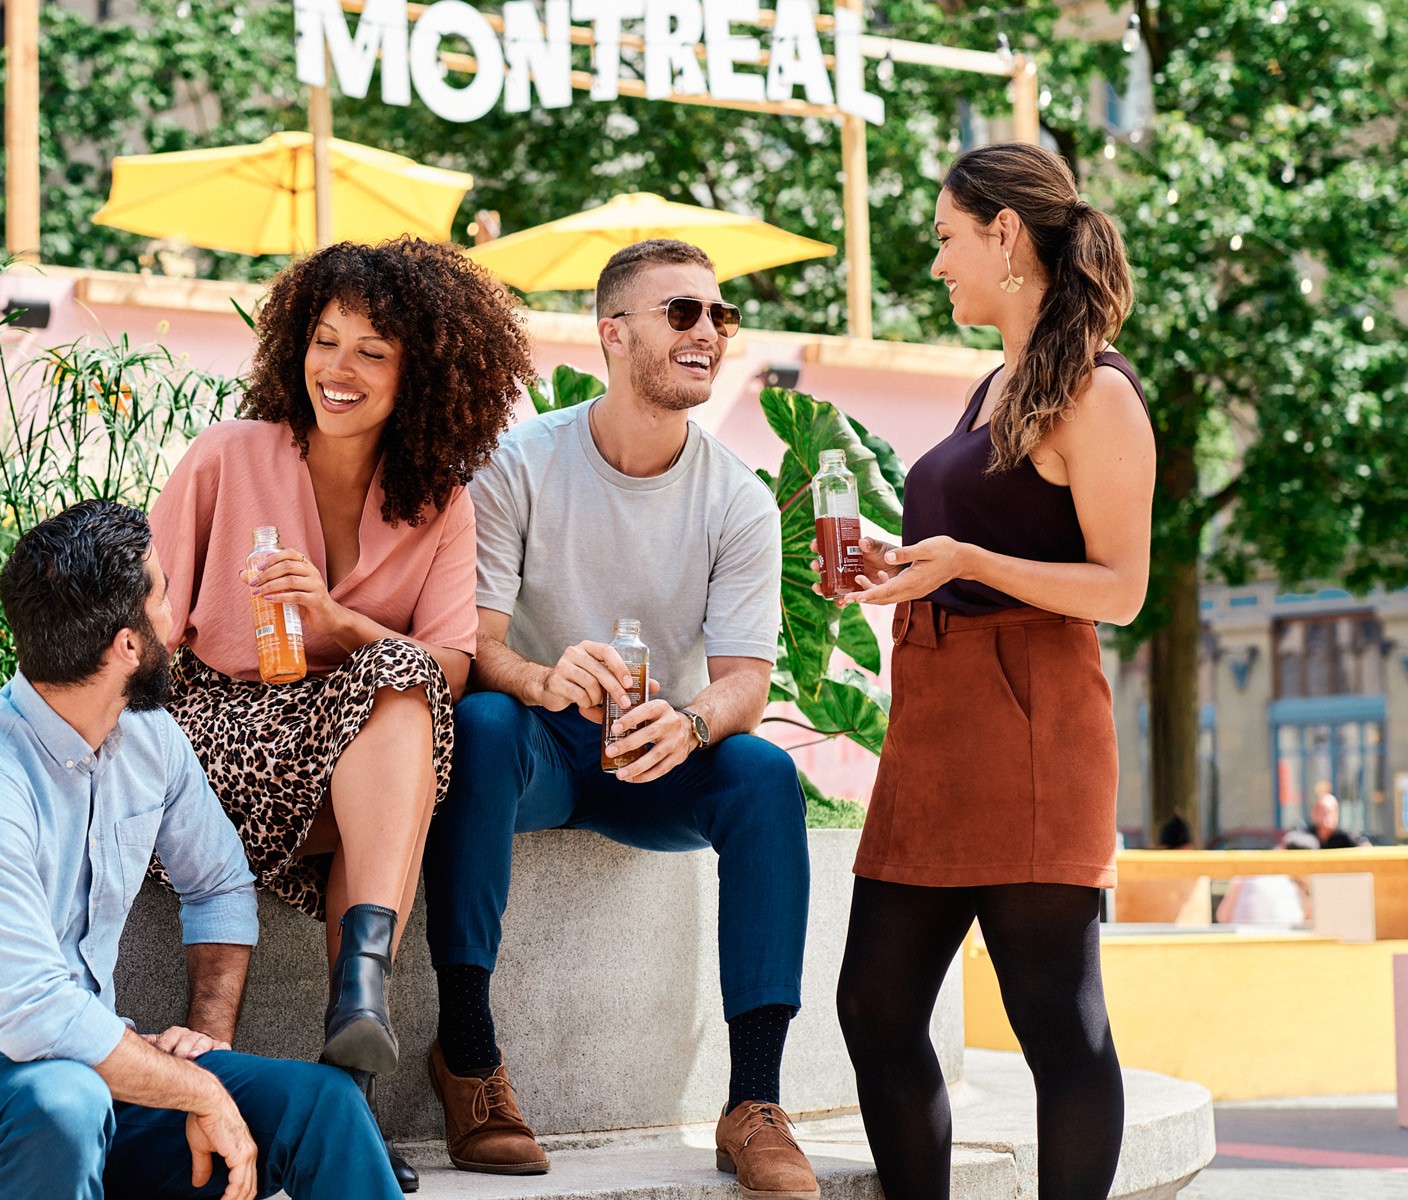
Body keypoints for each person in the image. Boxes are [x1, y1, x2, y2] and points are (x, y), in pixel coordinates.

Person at [419, 238, 817, 1196]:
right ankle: (468, 1058)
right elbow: (478, 648)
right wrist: (545, 677)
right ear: (613, 333)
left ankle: (753, 1102)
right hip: (545, 744)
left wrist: (689, 723)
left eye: (720, 317)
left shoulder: (739, 500)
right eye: (684, 312)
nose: (710, 333)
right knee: (477, 727)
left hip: (657, 755)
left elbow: (747, 685)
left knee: (764, 774)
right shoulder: (520, 464)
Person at [0, 501, 400, 1200]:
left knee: (324, 1104)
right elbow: (34, 1016)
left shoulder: (151, 740)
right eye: (165, 595)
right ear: (128, 646)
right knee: (62, 1104)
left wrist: (206, 1045)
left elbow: (218, 885)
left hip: (96, 1082)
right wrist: (197, 1095)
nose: (179, 616)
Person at [149, 238, 533, 1189]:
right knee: (394, 698)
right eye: (325, 342)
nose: (339, 369)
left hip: (349, 766)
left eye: (372, 350)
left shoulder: (439, 501)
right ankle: (350, 1075)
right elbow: (150, 623)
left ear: (424, 371)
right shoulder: (228, 455)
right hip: (216, 735)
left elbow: (448, 662)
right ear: (295, 347)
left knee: (403, 684)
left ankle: (356, 1017)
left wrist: (336, 622)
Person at [827, 142, 1155, 1200]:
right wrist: (910, 563)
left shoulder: (1097, 393)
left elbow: (1117, 588)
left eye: (944, 238)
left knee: (1057, 1020)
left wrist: (965, 563)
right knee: (874, 1010)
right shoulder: (999, 382)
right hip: (934, 720)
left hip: (1030, 720)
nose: (935, 266)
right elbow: (980, 541)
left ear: (1003, 235)